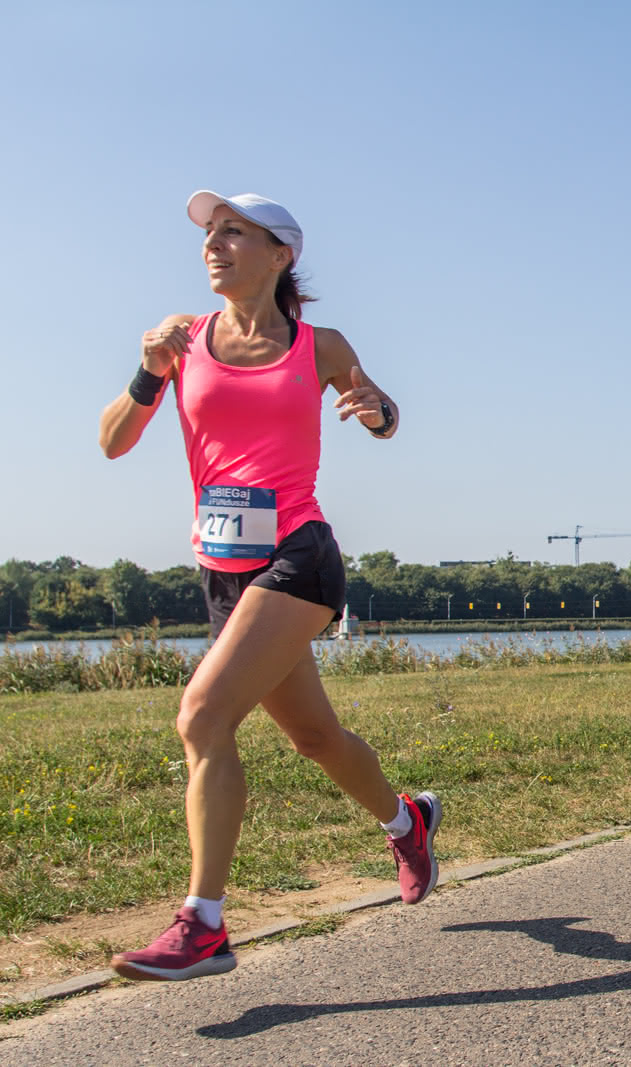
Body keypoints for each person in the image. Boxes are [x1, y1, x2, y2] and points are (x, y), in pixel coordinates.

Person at [98, 192, 439, 982]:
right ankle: (406, 819)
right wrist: (148, 373)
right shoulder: (182, 343)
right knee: (315, 738)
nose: (213, 244)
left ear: (280, 253)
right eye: (210, 234)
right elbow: (113, 440)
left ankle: (204, 923)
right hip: (225, 572)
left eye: (233, 233)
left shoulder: (317, 344)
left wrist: (377, 410)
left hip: (299, 555)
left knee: (202, 715)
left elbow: (384, 413)